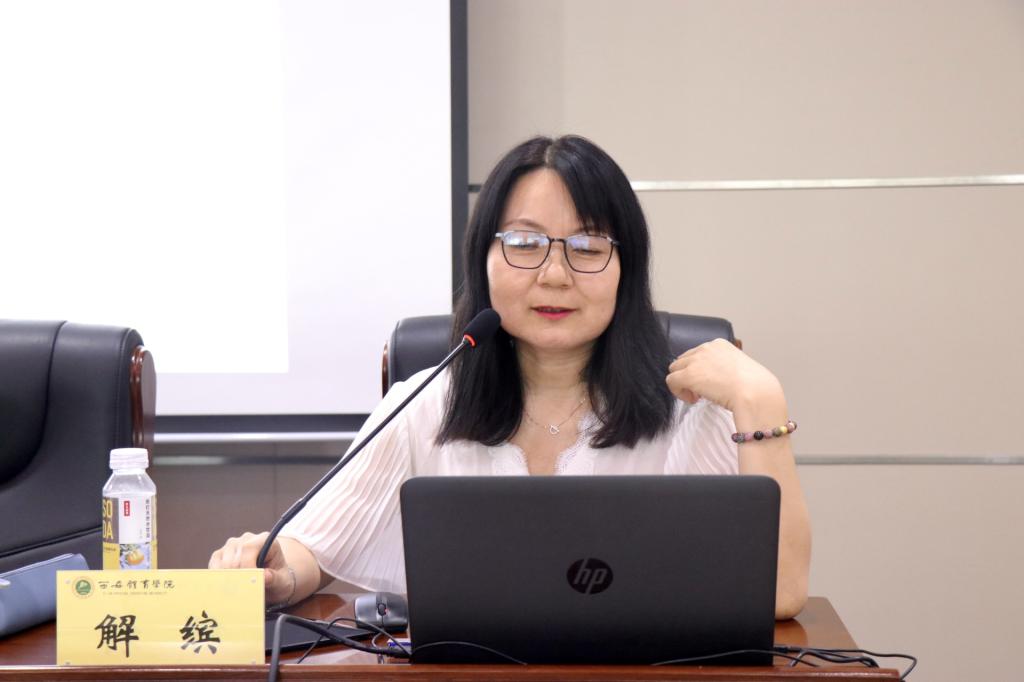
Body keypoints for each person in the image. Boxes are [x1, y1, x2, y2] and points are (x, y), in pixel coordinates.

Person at [210, 135, 811, 619]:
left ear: (626, 269)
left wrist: (760, 399)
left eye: (587, 245)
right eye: (525, 242)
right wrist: (275, 570)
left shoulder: (689, 411)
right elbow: (314, 547)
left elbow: (781, 595)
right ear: (484, 259)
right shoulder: (424, 403)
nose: (554, 274)